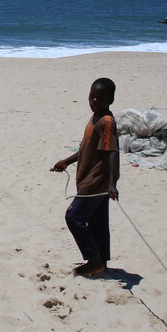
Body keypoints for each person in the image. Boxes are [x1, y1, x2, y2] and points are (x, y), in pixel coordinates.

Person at [51, 78, 120, 277]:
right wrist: (67, 161)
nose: (94, 100)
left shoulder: (106, 122)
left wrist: (112, 183)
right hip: (90, 180)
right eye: (92, 96)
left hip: (95, 182)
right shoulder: (96, 117)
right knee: (98, 222)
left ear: (111, 99)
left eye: (100, 98)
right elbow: (85, 149)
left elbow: (112, 153)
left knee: (74, 217)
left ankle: (94, 259)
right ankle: (102, 262)